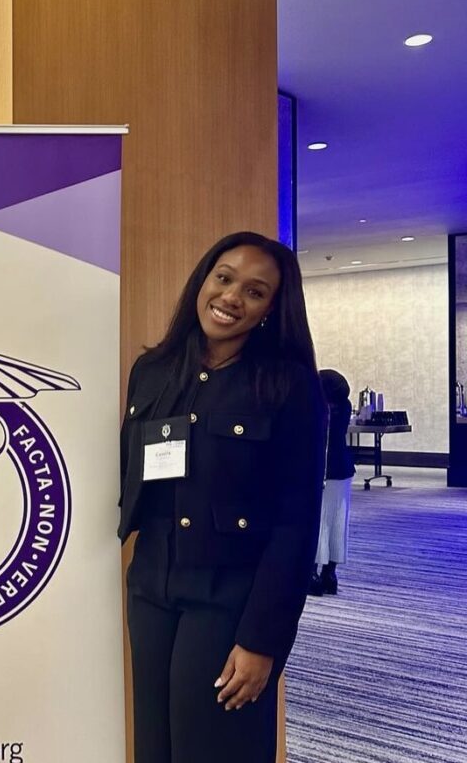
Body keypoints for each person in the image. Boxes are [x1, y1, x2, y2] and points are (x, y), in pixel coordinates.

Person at [118, 231, 326, 763]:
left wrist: (264, 639)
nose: (232, 297)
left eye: (255, 292)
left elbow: (297, 524)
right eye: (224, 278)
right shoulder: (154, 371)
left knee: (214, 750)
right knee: (155, 750)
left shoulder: (289, 387)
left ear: (270, 311)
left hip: (230, 599)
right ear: (204, 281)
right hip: (151, 590)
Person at [309, 369, 355, 596]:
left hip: (323, 471)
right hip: (344, 470)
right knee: (338, 522)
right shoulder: (344, 407)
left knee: (319, 523)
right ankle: (330, 574)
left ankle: (312, 574)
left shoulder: (319, 410)